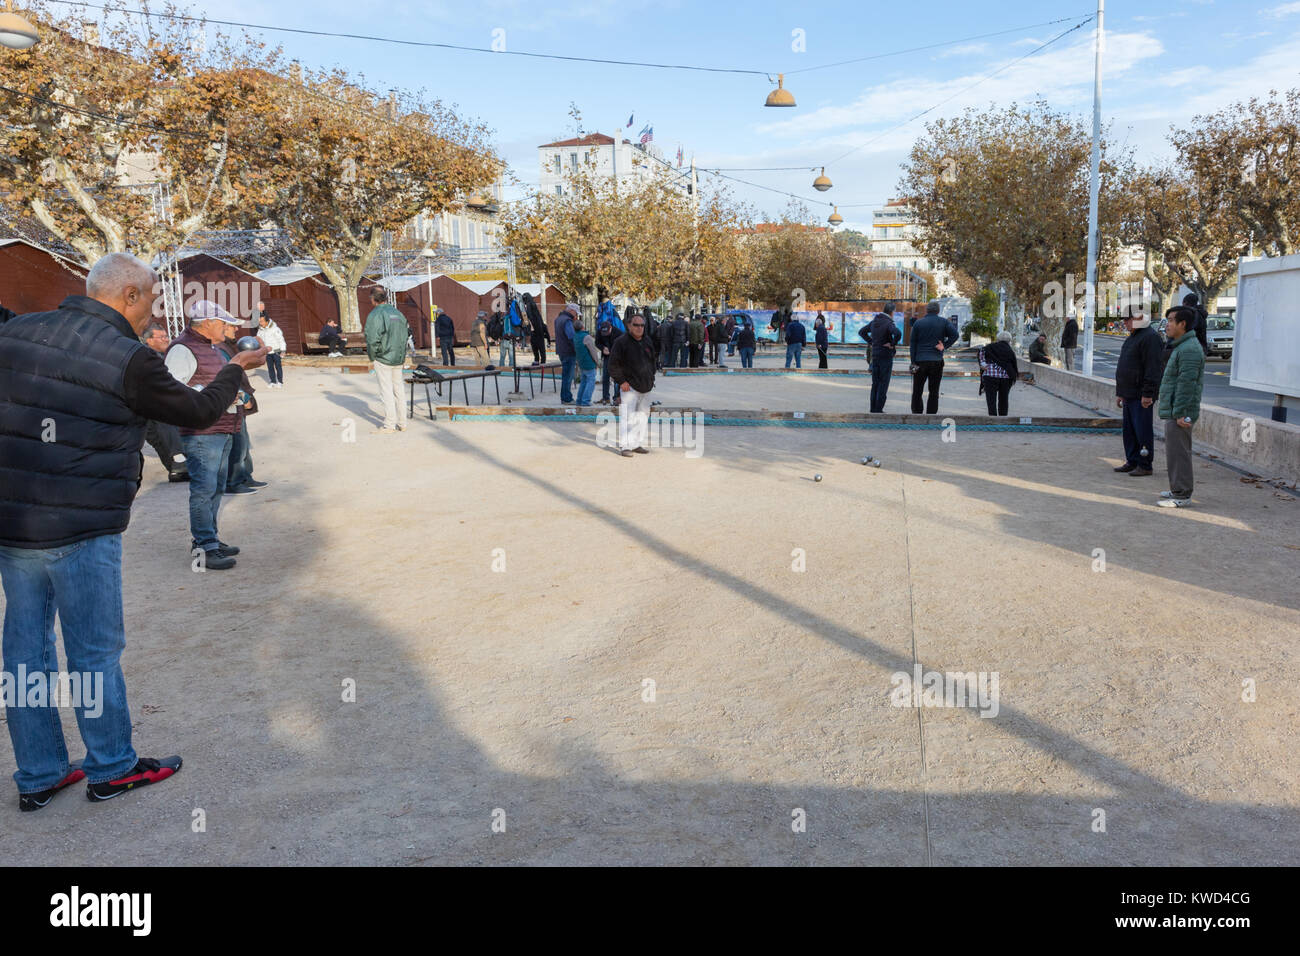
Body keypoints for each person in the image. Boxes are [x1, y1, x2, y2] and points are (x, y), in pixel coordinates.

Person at [0, 253, 267, 809]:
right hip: (83, 523)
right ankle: (111, 767)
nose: (153, 311)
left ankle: (40, 773)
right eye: (150, 299)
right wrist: (237, 368)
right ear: (128, 296)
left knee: (25, 656)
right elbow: (195, 412)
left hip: (16, 524)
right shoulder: (127, 358)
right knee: (93, 652)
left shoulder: (17, 332)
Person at [165, 300, 255, 569]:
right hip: (202, 430)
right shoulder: (183, 349)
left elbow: (212, 384)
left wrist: (236, 396)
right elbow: (173, 389)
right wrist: (216, 396)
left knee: (214, 487)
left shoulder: (210, 347)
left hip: (220, 426)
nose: (227, 328)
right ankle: (204, 547)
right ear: (206, 323)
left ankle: (210, 539)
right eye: (223, 323)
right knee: (204, 489)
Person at [1156, 306, 1206, 507]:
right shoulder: (1182, 346)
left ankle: (1182, 495)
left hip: (1180, 413)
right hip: (1175, 410)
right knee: (1174, 452)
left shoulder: (1190, 350)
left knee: (1180, 452)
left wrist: (1181, 413)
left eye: (1170, 320)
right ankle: (1177, 489)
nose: (1167, 324)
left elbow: (1187, 385)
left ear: (1182, 324)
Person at [1113, 310, 1164, 477]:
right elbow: (1125, 365)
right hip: (1129, 393)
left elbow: (1153, 369)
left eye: (1128, 319)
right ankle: (1132, 460)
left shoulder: (1150, 338)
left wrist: (1148, 394)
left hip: (1140, 395)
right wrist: (1120, 392)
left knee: (1142, 431)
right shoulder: (1133, 337)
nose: (1125, 323)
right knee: (1130, 431)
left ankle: (1145, 463)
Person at [215, 325, 265, 497]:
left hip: (237, 403)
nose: (236, 329)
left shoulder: (228, 347)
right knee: (238, 444)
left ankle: (245, 477)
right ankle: (233, 482)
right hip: (232, 404)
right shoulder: (220, 350)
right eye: (231, 326)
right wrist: (243, 399)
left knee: (244, 443)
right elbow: (228, 378)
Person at [138, 322, 190, 482]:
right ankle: (178, 463)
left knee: (157, 436)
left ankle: (177, 468)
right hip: (146, 406)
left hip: (147, 408)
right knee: (159, 431)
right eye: (161, 337)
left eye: (167, 336)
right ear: (149, 340)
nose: (167, 340)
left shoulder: (162, 356)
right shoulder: (147, 357)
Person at [608, 310, 657, 456]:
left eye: (642, 325)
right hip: (629, 387)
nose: (639, 328)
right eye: (636, 325)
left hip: (646, 386)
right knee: (627, 417)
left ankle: (636, 443)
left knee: (642, 417)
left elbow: (652, 361)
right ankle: (625, 446)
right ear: (629, 325)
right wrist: (621, 381)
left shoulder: (647, 341)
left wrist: (652, 377)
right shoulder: (621, 342)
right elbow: (612, 365)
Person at [363, 285, 410, 433]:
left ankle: (389, 424)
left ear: (372, 299)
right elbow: (407, 334)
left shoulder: (375, 314)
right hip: (398, 357)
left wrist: (373, 355)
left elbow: (372, 338)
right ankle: (402, 423)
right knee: (399, 390)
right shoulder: (398, 313)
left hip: (383, 357)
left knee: (386, 391)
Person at [909, 301, 958, 414]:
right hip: (936, 361)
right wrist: (944, 346)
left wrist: (913, 362)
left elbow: (913, 344)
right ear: (938, 311)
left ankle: (917, 413)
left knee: (917, 390)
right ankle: (931, 414)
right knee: (934, 391)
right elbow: (955, 335)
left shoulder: (918, 323)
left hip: (920, 361)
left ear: (927, 310)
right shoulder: (943, 322)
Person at [867, 309, 902, 413]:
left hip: (875, 355)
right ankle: (879, 409)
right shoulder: (888, 323)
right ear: (892, 312)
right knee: (883, 383)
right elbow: (898, 333)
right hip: (885, 356)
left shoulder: (874, 322)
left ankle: (873, 408)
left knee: (875, 383)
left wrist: (872, 342)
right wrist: (892, 344)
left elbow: (862, 332)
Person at [978, 331, 1020, 416]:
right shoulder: (1010, 350)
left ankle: (993, 419)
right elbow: (1013, 364)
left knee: (991, 400)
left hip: (990, 376)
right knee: (1004, 399)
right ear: (1009, 340)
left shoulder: (989, 347)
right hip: (1006, 377)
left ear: (998, 339)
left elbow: (981, 352)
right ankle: (1003, 419)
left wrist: (982, 364)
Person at [572, 317, 601, 407]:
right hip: (589, 363)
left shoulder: (575, 336)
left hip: (581, 363)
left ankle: (579, 400)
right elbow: (593, 351)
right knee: (590, 383)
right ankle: (585, 400)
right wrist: (597, 362)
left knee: (583, 382)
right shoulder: (586, 337)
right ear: (582, 327)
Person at [256, 310, 287, 388]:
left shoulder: (274, 329)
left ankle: (280, 382)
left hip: (276, 352)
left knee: (278, 367)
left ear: (267, 320)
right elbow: (258, 340)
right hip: (267, 353)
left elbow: (281, 340)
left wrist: (283, 351)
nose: (260, 323)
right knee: (270, 368)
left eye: (262, 321)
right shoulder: (260, 330)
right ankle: (272, 381)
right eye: (259, 321)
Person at [555, 304, 578, 404]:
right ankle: (566, 398)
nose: (576, 316)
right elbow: (571, 336)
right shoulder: (567, 321)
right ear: (572, 311)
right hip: (569, 351)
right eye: (576, 313)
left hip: (561, 350)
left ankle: (564, 397)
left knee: (565, 375)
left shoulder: (558, 319)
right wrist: (578, 349)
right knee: (568, 376)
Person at [595, 310, 619, 405]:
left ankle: (617, 397)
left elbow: (622, 346)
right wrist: (603, 348)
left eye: (607, 332)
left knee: (617, 378)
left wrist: (612, 351)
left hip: (617, 357)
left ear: (611, 328)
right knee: (605, 377)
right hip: (606, 357)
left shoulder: (618, 333)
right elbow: (597, 342)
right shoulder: (599, 332)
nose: (606, 335)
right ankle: (605, 397)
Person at [523, 292, 550, 364]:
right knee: (539, 347)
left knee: (538, 347)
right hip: (536, 330)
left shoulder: (530, 305)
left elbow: (530, 316)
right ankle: (540, 361)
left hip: (536, 330)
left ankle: (539, 361)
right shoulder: (531, 305)